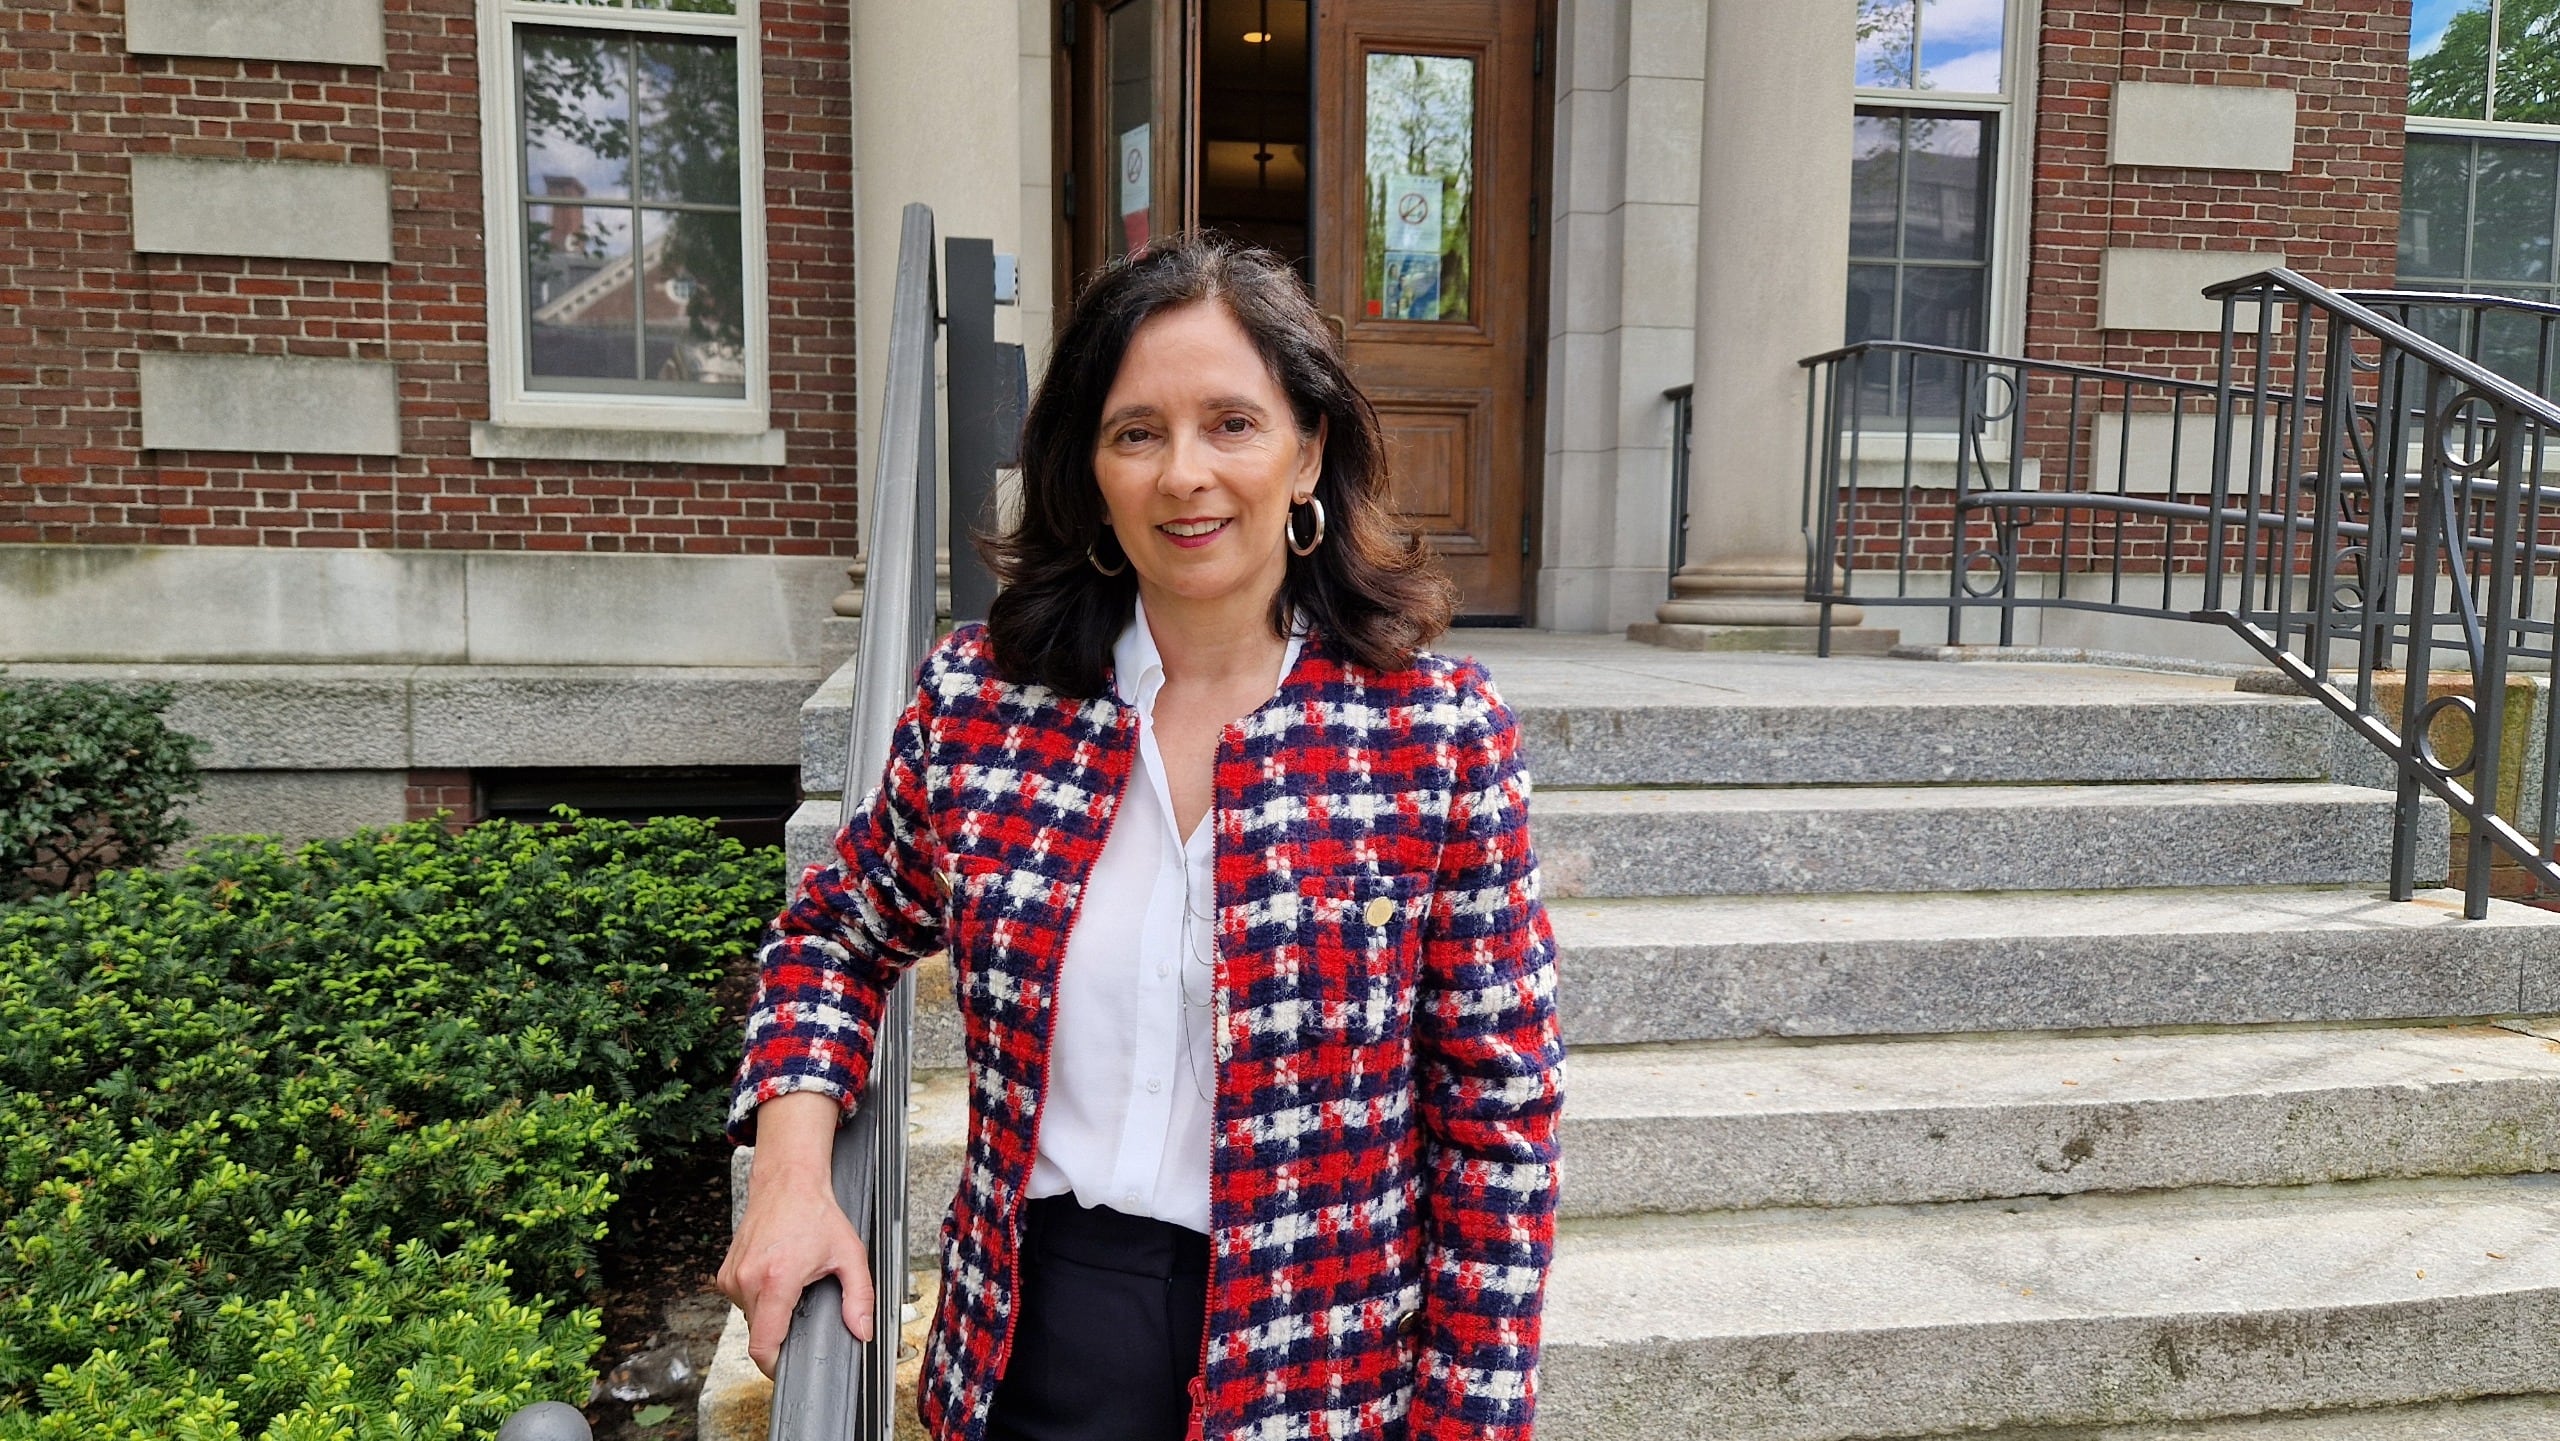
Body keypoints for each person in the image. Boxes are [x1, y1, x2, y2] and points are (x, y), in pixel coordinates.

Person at [717, 235, 1563, 1441]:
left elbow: (1499, 1125)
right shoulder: (985, 707)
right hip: (1035, 1340)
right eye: (1137, 433)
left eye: (1231, 423)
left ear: (1308, 446)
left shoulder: (1434, 736)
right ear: (1092, 468)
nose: (1185, 475)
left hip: (1318, 1369)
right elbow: (831, 937)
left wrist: (1468, 1424)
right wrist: (793, 1176)